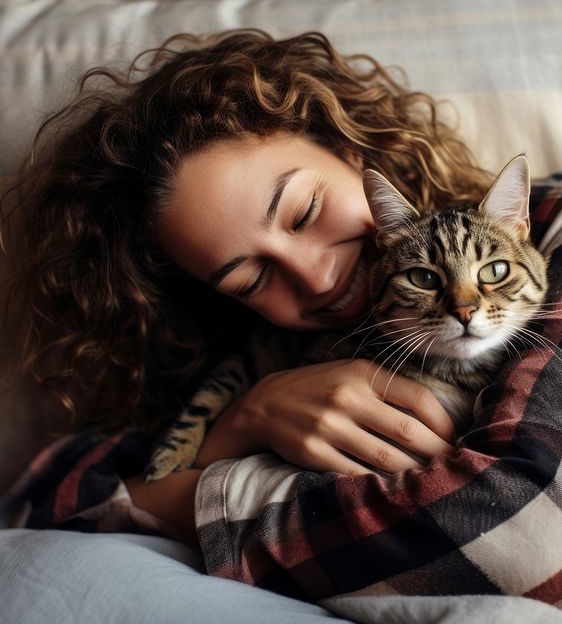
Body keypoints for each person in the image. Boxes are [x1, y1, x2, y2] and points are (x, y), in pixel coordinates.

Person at [3, 29, 562, 604]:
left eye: (305, 212)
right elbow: (37, 503)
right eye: (250, 278)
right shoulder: (262, 352)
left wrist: (194, 496)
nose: (318, 278)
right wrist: (242, 422)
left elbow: (529, 540)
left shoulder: (551, 227)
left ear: (348, 147)